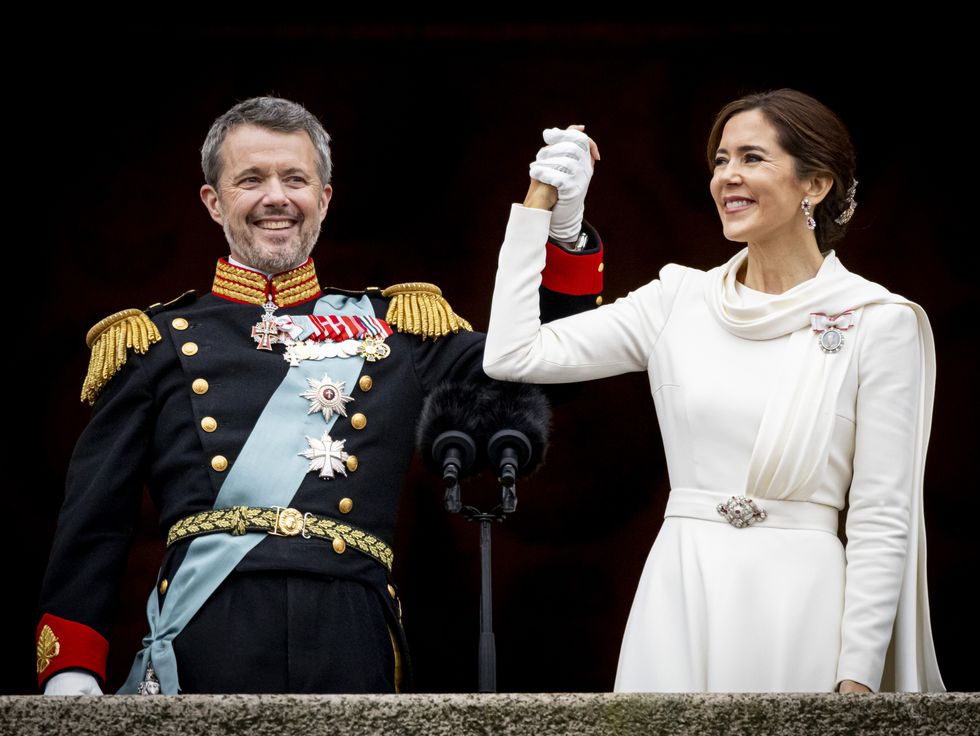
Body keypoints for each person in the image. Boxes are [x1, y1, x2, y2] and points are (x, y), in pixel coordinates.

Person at [36, 96, 602, 695]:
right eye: (250, 179)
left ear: (324, 199)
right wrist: (70, 667)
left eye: (295, 179)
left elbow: (535, 372)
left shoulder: (402, 327)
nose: (275, 197)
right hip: (207, 633)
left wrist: (561, 234)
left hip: (350, 632)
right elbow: (94, 521)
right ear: (214, 201)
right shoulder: (153, 342)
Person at [483, 89, 945, 693]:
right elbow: (513, 354)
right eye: (721, 160)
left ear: (817, 184)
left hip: (803, 603)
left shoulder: (878, 320)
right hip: (682, 588)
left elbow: (883, 516)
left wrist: (857, 677)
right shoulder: (679, 299)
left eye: (752, 158)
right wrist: (545, 212)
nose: (728, 176)